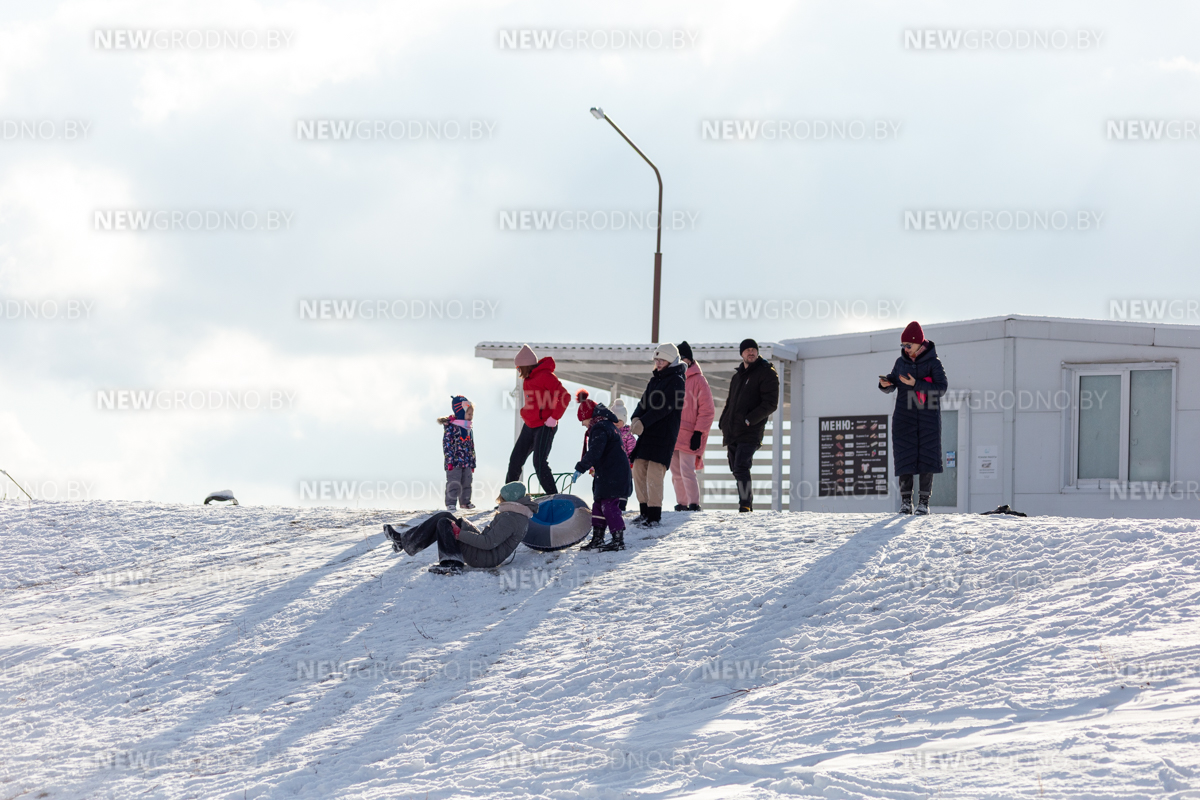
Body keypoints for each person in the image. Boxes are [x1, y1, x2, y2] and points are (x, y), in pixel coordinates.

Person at [383, 482, 538, 574]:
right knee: (444, 516)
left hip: (483, 557)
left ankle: (451, 564)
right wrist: (463, 528)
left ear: (510, 499)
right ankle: (404, 541)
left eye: (502, 498)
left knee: (445, 524)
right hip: (484, 553)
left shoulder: (511, 518)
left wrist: (459, 534)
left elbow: (488, 542)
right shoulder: (515, 513)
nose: (500, 501)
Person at [879, 321, 948, 515]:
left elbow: (941, 388)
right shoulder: (900, 362)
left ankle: (923, 503)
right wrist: (886, 384)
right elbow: (893, 380)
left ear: (919, 343)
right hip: (904, 415)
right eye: (903, 346)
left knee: (927, 457)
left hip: (928, 416)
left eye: (908, 345)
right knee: (904, 457)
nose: (906, 349)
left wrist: (915, 384)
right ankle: (905, 502)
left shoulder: (934, 363)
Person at [628, 343, 687, 527]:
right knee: (638, 468)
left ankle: (654, 515)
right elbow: (644, 402)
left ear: (670, 360)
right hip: (648, 433)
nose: (658, 363)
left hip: (663, 435)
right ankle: (644, 511)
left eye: (662, 359)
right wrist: (636, 417)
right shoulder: (655, 380)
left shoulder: (677, 380)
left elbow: (665, 407)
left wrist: (643, 422)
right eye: (657, 359)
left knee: (654, 472)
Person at [718, 339, 779, 512]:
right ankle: (745, 502)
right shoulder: (737, 377)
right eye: (747, 350)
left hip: (751, 430)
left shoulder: (767, 372)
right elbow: (730, 403)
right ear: (742, 353)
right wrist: (723, 422)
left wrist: (749, 419)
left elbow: (771, 403)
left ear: (758, 352)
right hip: (733, 430)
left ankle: (745, 504)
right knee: (735, 468)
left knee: (741, 466)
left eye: (754, 349)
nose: (751, 352)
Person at [505, 344, 571, 496]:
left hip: (545, 426)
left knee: (539, 463)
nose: (518, 371)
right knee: (515, 461)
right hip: (530, 425)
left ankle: (553, 496)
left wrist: (554, 417)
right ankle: (508, 498)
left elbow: (564, 396)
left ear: (525, 366)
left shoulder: (545, 376)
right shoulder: (528, 379)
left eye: (518, 368)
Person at [572, 391, 633, 551]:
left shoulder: (600, 428)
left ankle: (618, 539)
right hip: (607, 474)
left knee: (609, 506)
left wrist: (581, 467)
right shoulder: (605, 426)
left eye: (583, 420)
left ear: (589, 417)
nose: (583, 424)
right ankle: (598, 538)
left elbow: (595, 452)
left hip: (613, 474)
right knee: (599, 505)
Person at [670, 341, 714, 511]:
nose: (683, 362)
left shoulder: (699, 381)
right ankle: (681, 503)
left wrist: (698, 432)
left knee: (687, 470)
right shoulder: (673, 379)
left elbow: (707, 410)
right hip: (673, 433)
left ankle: (694, 503)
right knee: (675, 472)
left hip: (689, 433)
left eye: (685, 358)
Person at [437, 395, 476, 512]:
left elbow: (471, 446)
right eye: (468, 414)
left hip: (467, 461)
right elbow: (447, 445)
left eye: (472, 415)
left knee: (467, 482)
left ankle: (465, 502)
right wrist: (449, 461)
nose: (470, 417)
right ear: (460, 412)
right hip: (454, 462)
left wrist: (473, 462)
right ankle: (451, 503)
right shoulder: (452, 427)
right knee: (454, 482)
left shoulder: (468, 429)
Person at [612, 398, 636, 511]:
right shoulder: (608, 433)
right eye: (614, 419)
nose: (616, 422)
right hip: (611, 466)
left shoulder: (628, 435)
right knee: (612, 486)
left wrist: (632, 463)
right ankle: (612, 504)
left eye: (619, 419)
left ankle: (622, 505)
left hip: (624, 466)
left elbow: (632, 450)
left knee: (624, 485)